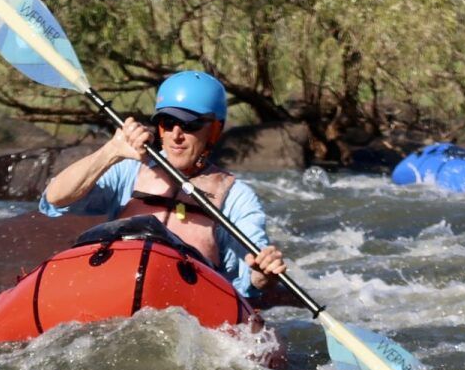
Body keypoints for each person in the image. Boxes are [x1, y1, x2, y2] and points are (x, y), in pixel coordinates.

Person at [39, 71, 290, 307]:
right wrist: (110, 152)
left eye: (190, 125)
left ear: (215, 129)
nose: (176, 135)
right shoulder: (129, 169)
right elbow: (56, 198)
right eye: (168, 123)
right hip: (116, 289)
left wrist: (262, 274)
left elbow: (252, 278)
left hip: (189, 301)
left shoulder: (237, 197)